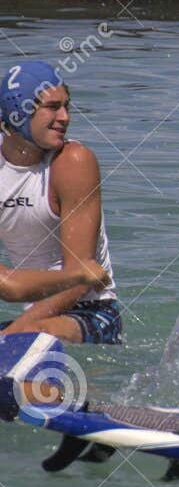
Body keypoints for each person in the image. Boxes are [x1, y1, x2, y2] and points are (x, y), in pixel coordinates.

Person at [0, 61, 121, 342]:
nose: (65, 117)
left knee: (29, 337)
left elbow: (80, 282)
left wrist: (13, 334)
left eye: (67, 105)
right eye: (53, 107)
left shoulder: (73, 162)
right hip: (29, 315)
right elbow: (7, 286)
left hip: (90, 312)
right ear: (19, 112)